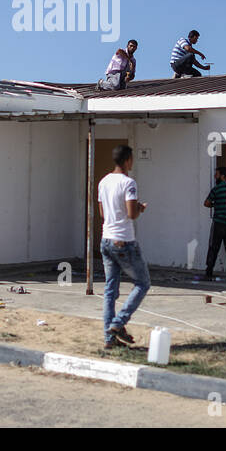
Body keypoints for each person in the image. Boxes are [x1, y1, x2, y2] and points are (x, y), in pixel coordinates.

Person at [97, 144, 150, 349]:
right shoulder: (129, 183)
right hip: (123, 241)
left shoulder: (103, 182)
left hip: (106, 239)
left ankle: (109, 338)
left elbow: (102, 213)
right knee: (143, 283)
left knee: (110, 290)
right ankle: (118, 323)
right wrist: (140, 208)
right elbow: (131, 214)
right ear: (128, 160)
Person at [203, 166, 226, 283]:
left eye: (216, 174)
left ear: (222, 176)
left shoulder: (216, 189)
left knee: (213, 248)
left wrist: (214, 205)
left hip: (218, 223)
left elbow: (206, 203)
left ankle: (208, 273)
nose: (215, 176)